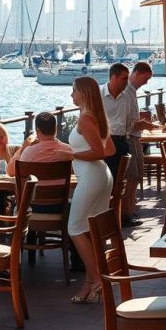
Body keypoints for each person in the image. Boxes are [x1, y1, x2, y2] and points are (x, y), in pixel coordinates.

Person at [67, 76, 114, 304]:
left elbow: (99, 151)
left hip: (91, 176)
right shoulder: (96, 116)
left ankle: (97, 280)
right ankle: (89, 284)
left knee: (74, 228)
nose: (71, 95)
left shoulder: (86, 118)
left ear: (83, 93)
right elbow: (110, 148)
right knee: (88, 231)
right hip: (101, 175)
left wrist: (71, 154)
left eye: (74, 91)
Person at [101, 63, 156, 226]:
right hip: (114, 140)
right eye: (145, 79)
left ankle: (126, 212)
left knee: (129, 177)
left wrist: (135, 126)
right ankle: (123, 212)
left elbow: (128, 121)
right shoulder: (102, 95)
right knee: (127, 177)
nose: (146, 83)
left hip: (123, 139)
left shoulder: (126, 95)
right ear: (114, 77)